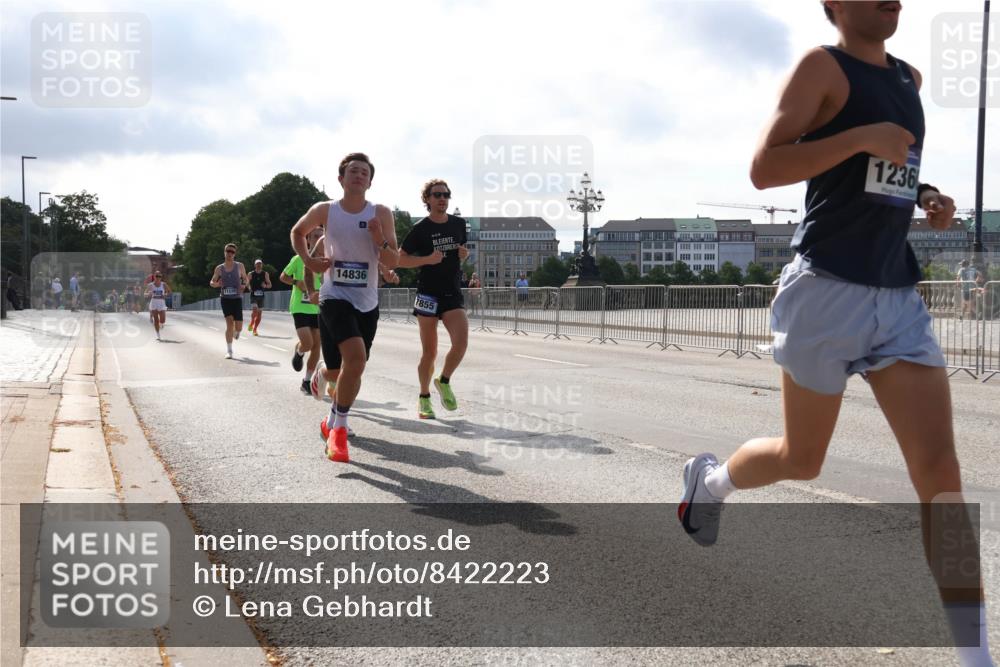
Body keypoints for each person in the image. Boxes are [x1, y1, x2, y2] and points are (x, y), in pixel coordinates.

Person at [678, 4, 993, 666]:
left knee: (941, 473)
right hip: (824, 289)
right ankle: (708, 485)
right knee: (802, 458)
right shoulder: (821, 67)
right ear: (834, 5)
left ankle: (975, 656)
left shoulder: (908, 77)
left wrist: (927, 195)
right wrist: (858, 137)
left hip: (895, 294)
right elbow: (765, 168)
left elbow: (887, 174)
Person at [290, 152, 398, 463]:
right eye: (353, 171)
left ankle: (323, 384)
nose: (359, 175)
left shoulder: (381, 213)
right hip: (334, 297)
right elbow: (297, 232)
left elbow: (392, 261)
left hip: (367, 302)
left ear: (370, 181)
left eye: (364, 172)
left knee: (346, 369)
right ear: (342, 178)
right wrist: (309, 261)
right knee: (356, 358)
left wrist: (379, 239)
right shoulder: (325, 210)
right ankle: (339, 428)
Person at [397, 179, 469, 419]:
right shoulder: (421, 229)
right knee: (430, 352)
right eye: (437, 194)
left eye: (446, 194)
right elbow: (400, 259)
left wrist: (463, 255)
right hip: (427, 293)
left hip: (451, 291)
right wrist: (426, 259)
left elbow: (459, 254)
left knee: (461, 343)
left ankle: (444, 380)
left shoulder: (459, 224)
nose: (442, 198)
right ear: (427, 199)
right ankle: (424, 396)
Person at [282, 230, 326, 395]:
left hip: (317, 308)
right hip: (300, 307)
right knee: (307, 343)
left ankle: (307, 381)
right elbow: (283, 276)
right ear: (308, 240)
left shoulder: (327, 261)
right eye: (315, 236)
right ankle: (300, 351)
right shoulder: (298, 259)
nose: (318, 239)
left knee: (316, 346)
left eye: (321, 236)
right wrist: (296, 282)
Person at [209, 243, 249, 359]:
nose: (230, 253)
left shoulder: (239, 266)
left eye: (232, 252)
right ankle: (229, 351)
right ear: (224, 252)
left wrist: (243, 285)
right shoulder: (219, 268)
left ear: (235, 254)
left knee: (239, 327)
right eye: (228, 251)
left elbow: (245, 279)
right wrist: (216, 284)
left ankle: (237, 332)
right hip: (225, 299)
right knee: (229, 323)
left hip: (237, 298)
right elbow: (211, 282)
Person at [247, 259, 272, 335]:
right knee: (255, 311)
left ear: (262, 265)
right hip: (253, 295)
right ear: (255, 265)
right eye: (257, 264)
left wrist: (265, 286)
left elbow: (270, 285)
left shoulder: (265, 274)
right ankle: (251, 322)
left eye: (260, 264)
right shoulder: (251, 274)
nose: (259, 265)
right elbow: (247, 283)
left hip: (261, 296)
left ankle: (255, 329)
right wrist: (249, 288)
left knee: (259, 314)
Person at [144, 273, 171, 340]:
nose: (158, 277)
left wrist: (165, 295)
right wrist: (148, 294)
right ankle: (158, 334)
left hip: (161, 302)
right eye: (157, 276)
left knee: (163, 319)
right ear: (154, 277)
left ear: (161, 277)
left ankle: (161, 324)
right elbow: (144, 293)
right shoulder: (150, 285)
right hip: (154, 302)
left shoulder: (163, 284)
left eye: (160, 276)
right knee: (156, 320)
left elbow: (170, 292)